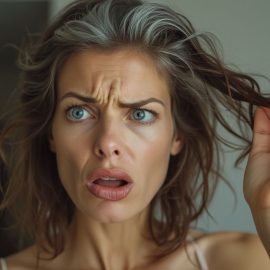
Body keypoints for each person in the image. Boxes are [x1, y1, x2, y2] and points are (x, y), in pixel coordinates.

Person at [0, 0, 269, 269]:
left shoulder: (241, 261)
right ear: (51, 134)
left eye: (140, 114)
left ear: (177, 135)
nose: (107, 143)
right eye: (79, 112)